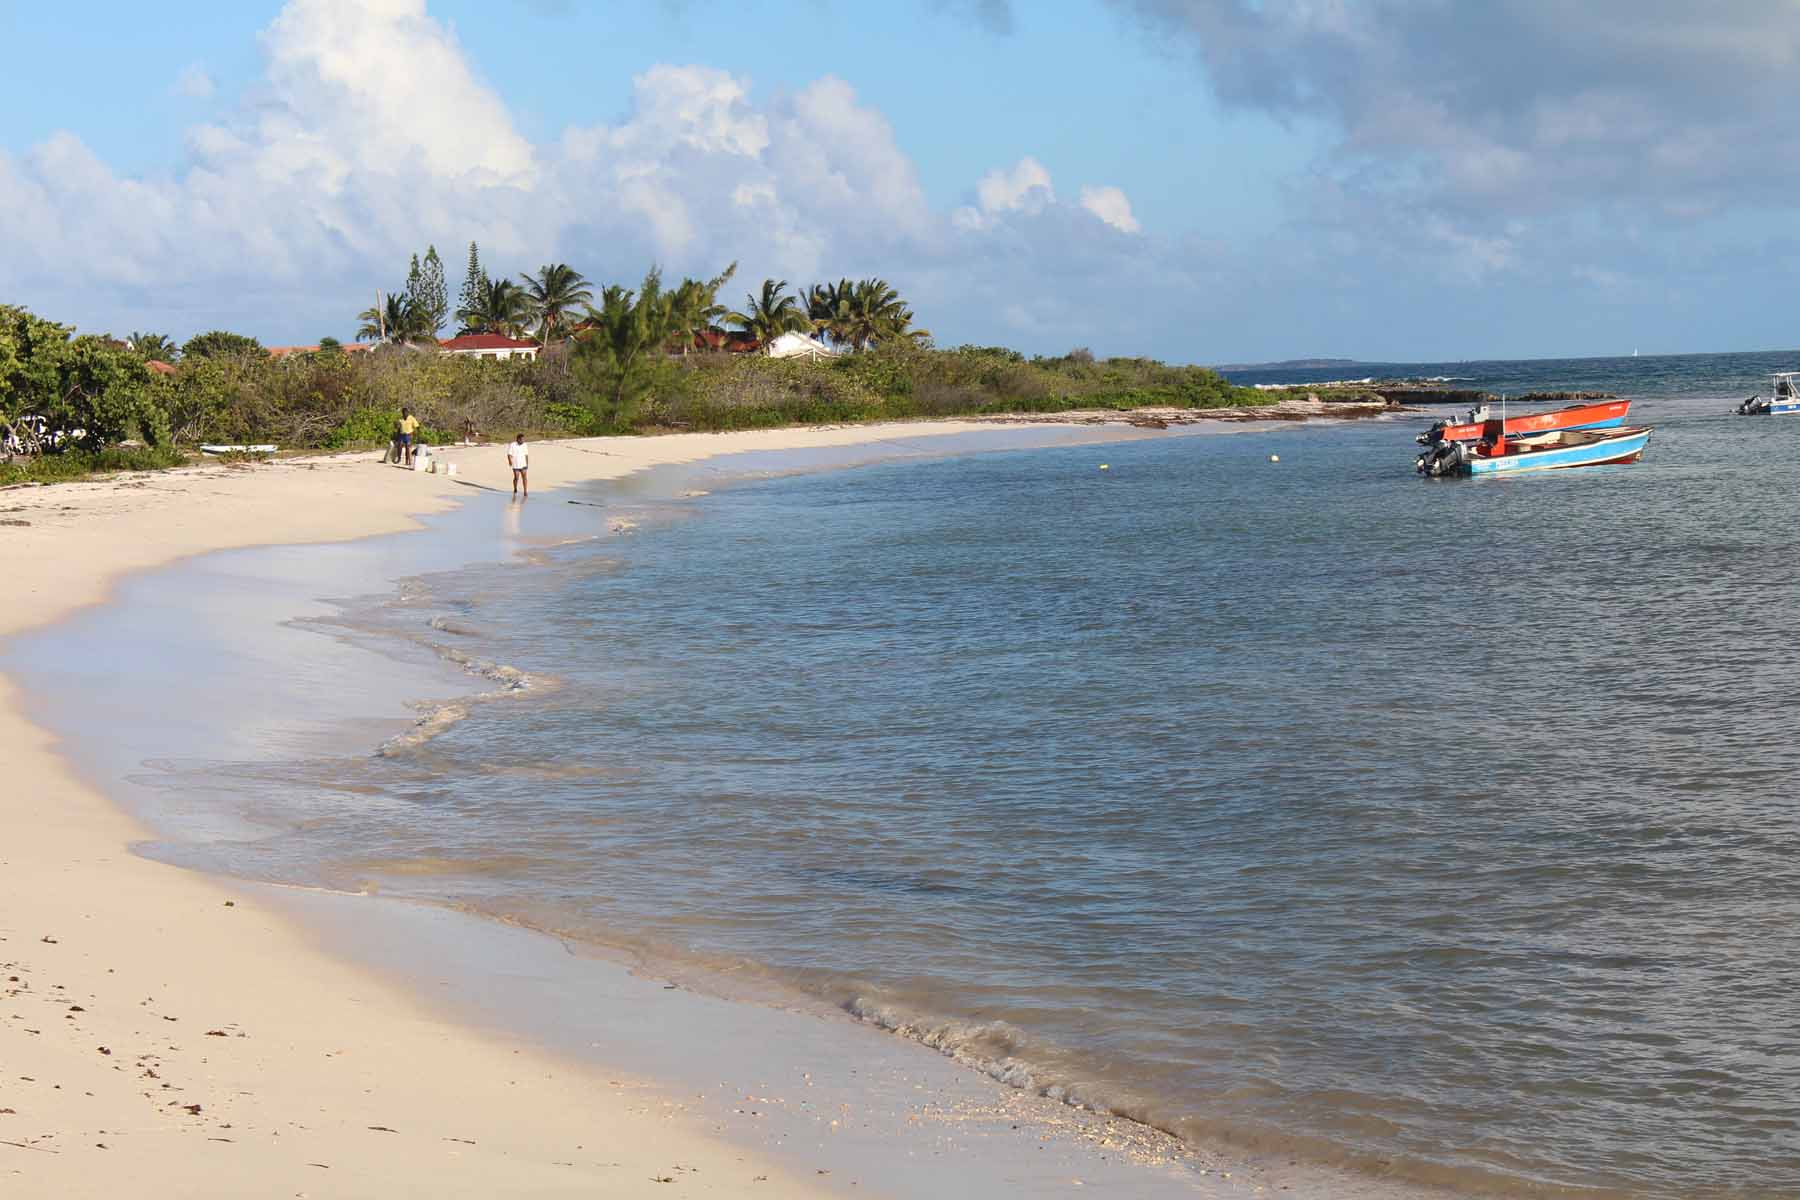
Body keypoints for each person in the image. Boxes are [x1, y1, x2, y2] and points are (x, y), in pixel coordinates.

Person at [507, 432, 529, 496]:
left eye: (523, 439)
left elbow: (526, 454)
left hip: (523, 463)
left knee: (524, 477)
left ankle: (525, 491)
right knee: (516, 477)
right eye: (522, 439)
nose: (523, 441)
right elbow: (509, 454)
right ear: (518, 439)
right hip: (515, 464)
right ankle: (515, 488)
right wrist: (510, 461)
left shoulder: (525, 445)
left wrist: (527, 463)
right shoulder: (512, 444)